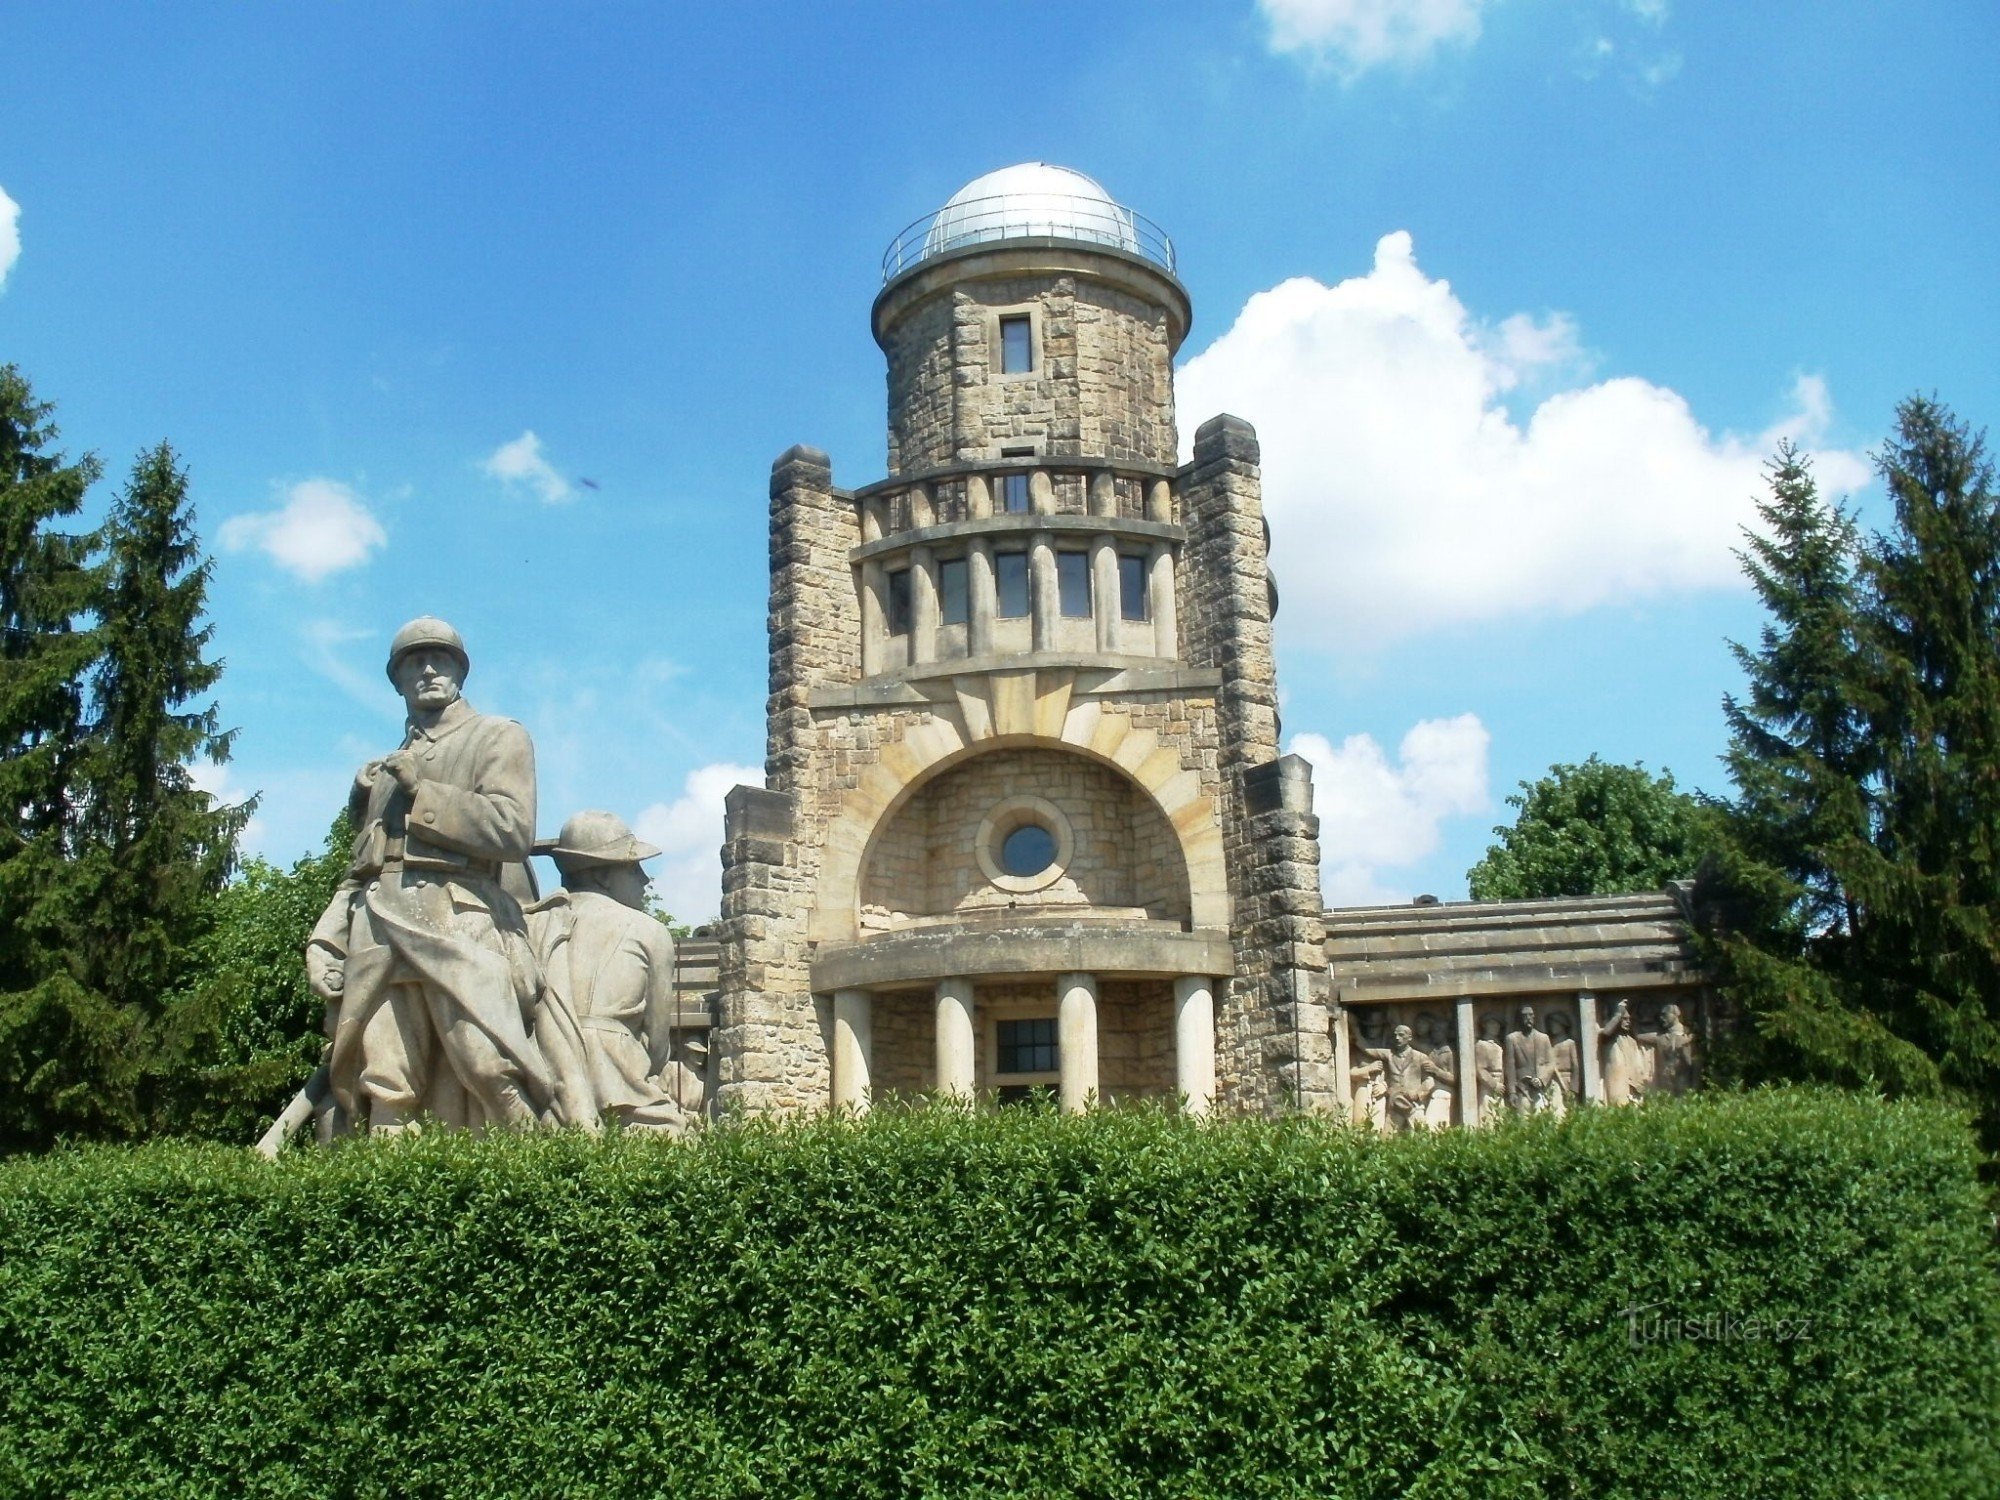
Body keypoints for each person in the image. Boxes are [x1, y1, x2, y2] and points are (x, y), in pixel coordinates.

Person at [307, 617, 556, 1133]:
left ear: (459, 671)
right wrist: (324, 939)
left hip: (460, 916)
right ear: (397, 680)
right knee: (384, 1081)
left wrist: (423, 793)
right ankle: (388, 1204)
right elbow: (361, 869)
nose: (426, 669)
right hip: (379, 924)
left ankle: (537, 1183)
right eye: (412, 663)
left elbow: (512, 831)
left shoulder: (497, 736)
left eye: (439, 659)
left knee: (490, 1065)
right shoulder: (388, 767)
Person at [527, 811, 692, 1133]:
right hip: (621, 1083)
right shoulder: (649, 931)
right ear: (603, 875)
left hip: (541, 1075)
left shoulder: (531, 924)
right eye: (633, 868)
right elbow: (657, 1044)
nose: (645, 880)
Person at [1352, 1019, 1450, 1134]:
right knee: (1387, 1138)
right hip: (1395, 1107)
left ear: (1409, 1038)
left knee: (1423, 1137)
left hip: (1414, 1104)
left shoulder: (1420, 1057)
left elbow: (1429, 1081)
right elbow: (1368, 1050)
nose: (1397, 1038)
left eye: (1401, 1035)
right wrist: (1355, 1030)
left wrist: (1418, 1093)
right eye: (1395, 1035)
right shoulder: (1389, 1054)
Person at [1504, 1004, 1558, 1113]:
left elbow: (1551, 1063)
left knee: (1541, 1119)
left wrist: (1541, 1079)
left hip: (1539, 1088)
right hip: (1521, 1088)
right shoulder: (1512, 1039)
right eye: (1525, 1016)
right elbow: (1510, 1066)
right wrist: (1512, 1092)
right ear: (1519, 1018)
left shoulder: (1543, 1038)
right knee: (1523, 1120)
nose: (1528, 1018)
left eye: (1531, 1015)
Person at [1599, 998, 1652, 1106]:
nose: (1628, 1021)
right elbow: (1606, 1032)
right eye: (1624, 1019)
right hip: (1616, 1080)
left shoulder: (1631, 1040)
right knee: (1618, 1106)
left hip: (1632, 1082)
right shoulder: (1609, 1038)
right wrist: (1618, 1013)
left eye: (1629, 1019)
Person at [1640, 1001, 1699, 1096]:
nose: (1661, 1018)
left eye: (1664, 1015)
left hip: (1685, 1084)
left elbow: (1696, 1062)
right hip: (1665, 1084)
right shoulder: (1661, 1037)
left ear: (1676, 1014)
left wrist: (1695, 1085)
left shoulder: (1689, 1035)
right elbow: (1639, 1036)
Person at [1474, 1013, 1507, 1123]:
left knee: (1500, 1117)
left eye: (1497, 1025)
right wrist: (1494, 1084)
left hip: (1500, 1084)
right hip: (1488, 1085)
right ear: (1485, 1026)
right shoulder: (1481, 1045)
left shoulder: (1498, 1045)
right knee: (1488, 1117)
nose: (1496, 1027)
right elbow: (1480, 1069)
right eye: (1492, 1024)